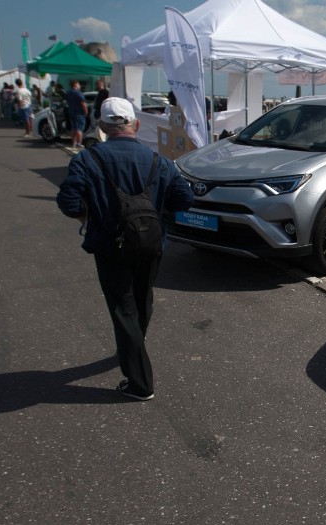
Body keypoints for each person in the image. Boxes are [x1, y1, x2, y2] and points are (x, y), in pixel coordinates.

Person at [56, 97, 194, 401]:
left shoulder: (87, 159)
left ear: (104, 127)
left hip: (110, 245)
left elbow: (68, 202)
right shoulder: (158, 160)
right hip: (152, 243)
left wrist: (88, 215)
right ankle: (135, 342)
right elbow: (184, 199)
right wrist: (156, 211)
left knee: (123, 307)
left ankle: (140, 382)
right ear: (136, 124)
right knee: (142, 299)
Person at [64, 80, 88, 149]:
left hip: (71, 112)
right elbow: (83, 103)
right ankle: (79, 143)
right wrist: (86, 111)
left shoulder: (68, 93)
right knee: (79, 128)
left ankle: (73, 143)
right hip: (79, 113)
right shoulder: (78, 93)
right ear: (75, 85)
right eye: (78, 84)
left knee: (73, 128)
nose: (79, 86)